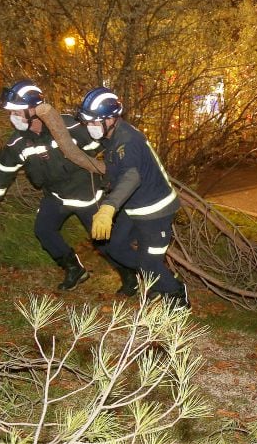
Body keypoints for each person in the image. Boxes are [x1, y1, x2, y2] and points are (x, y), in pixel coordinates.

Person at [0, 79, 120, 291]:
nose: (12, 117)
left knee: (104, 242)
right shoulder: (17, 142)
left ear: (34, 109)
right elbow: (3, 171)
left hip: (86, 194)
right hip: (55, 196)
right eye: (11, 112)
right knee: (44, 230)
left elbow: (102, 142)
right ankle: (74, 268)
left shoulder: (68, 125)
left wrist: (115, 170)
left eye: (17, 112)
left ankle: (130, 276)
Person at [76, 87, 189, 309]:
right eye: (87, 122)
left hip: (157, 210)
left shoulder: (128, 141)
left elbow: (131, 176)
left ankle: (175, 292)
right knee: (114, 247)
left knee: (149, 262)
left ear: (111, 119)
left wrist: (109, 207)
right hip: (133, 207)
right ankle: (151, 280)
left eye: (94, 122)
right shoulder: (111, 135)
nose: (90, 127)